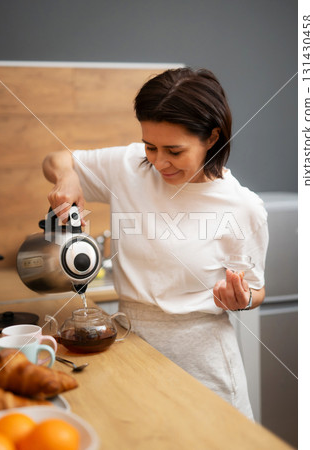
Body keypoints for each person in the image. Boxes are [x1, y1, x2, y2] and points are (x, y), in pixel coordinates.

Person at [43, 67, 268, 420]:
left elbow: (255, 291)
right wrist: (68, 176)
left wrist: (239, 300)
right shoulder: (129, 166)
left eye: (174, 151)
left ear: (212, 137)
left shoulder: (242, 206)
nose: (159, 162)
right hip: (131, 349)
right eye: (151, 146)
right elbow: (55, 159)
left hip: (205, 367)